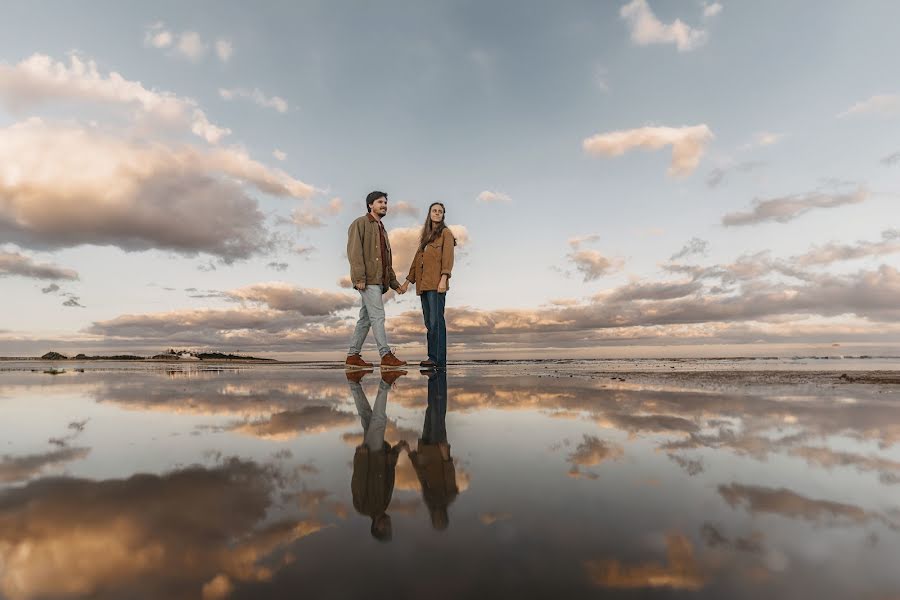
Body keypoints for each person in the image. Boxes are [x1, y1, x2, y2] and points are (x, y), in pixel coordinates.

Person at [346, 191, 407, 369]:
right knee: (378, 316)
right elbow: (354, 252)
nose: (384, 205)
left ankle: (353, 356)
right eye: (380, 202)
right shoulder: (360, 223)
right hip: (367, 280)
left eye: (386, 203)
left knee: (365, 319)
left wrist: (395, 285)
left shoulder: (382, 230)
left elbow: (387, 262)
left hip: (379, 282)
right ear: (370, 205)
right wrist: (359, 278)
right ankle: (385, 355)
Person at [348, 369, 408, 541]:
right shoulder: (384, 505)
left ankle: (385, 383)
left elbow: (358, 481)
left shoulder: (364, 507)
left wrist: (361, 457)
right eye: (389, 529)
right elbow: (389, 472)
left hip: (370, 454)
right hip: (378, 452)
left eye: (385, 529)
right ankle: (353, 385)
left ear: (375, 527)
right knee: (367, 417)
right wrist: (397, 449)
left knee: (379, 421)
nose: (389, 526)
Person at [398, 202, 455, 369]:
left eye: (440, 211)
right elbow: (416, 262)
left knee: (437, 321)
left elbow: (448, 258)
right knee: (429, 323)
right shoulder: (425, 238)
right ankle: (432, 358)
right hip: (423, 286)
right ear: (429, 214)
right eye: (434, 211)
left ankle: (439, 360)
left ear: (443, 215)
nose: (437, 213)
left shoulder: (446, 233)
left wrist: (444, 278)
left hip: (437, 285)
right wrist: (407, 282)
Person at [408, 370, 458, 530]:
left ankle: (435, 381)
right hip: (438, 450)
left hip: (425, 450)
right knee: (437, 413)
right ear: (444, 517)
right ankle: (438, 381)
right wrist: (446, 457)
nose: (437, 518)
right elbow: (450, 475)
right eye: (440, 520)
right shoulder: (449, 497)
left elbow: (421, 478)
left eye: (436, 521)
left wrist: (412, 455)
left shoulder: (429, 500)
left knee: (431, 412)